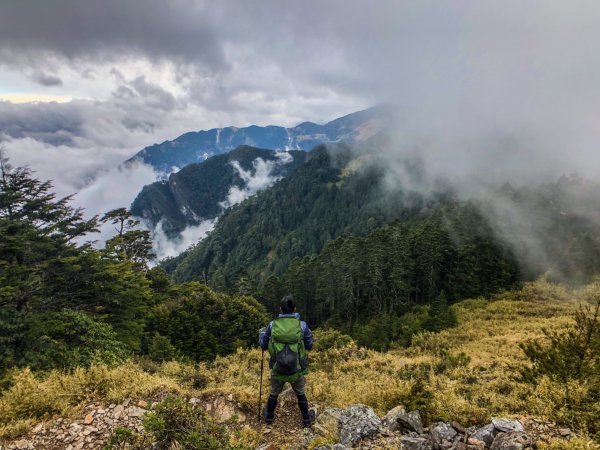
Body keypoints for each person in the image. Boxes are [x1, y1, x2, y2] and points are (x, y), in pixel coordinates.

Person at [259, 295, 315, 427]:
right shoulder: (302, 325)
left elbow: (263, 344)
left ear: (280, 309)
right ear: (294, 308)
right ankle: (306, 420)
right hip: (297, 369)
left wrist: (261, 334)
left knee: (274, 393)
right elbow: (309, 345)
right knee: (300, 393)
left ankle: (269, 418)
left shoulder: (272, 325)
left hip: (278, 368)